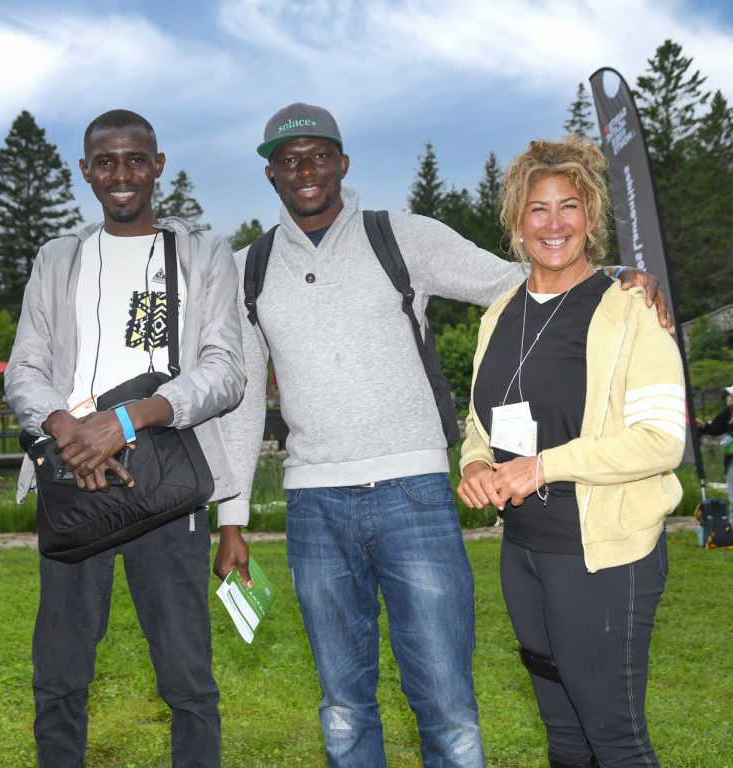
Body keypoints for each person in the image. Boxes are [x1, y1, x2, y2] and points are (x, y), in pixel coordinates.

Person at [217, 103, 670, 768]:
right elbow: (241, 401)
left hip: (416, 498)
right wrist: (231, 518)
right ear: (271, 175)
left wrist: (618, 281)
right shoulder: (245, 270)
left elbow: (520, 278)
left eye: (318, 155)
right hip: (313, 504)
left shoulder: (401, 238)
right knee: (343, 708)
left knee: (448, 708)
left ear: (343, 163)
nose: (304, 170)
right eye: (288, 160)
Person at [4, 109, 248, 768]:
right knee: (59, 676)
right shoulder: (59, 258)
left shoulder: (203, 253)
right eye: (105, 161)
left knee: (187, 679)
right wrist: (67, 430)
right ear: (85, 171)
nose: (121, 174)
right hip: (73, 474)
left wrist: (128, 420)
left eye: (135, 159)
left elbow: (226, 372)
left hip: (164, 476)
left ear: (157, 165)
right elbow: (25, 368)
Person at [457, 135, 685, 768]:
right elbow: (482, 425)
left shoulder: (630, 306)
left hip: (604, 558)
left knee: (614, 740)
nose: (553, 223)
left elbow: (661, 441)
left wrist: (542, 467)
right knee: (563, 740)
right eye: (538, 208)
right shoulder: (498, 314)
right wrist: (476, 465)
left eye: (569, 207)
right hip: (525, 555)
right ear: (516, 220)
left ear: (591, 218)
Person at [695, 385, 733, 503]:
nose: (730, 397)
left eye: (732, 395)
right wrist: (703, 425)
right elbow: (715, 429)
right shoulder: (728, 412)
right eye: (730, 395)